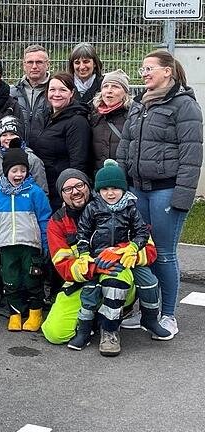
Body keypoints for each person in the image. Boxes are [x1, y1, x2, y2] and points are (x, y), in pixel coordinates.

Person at [116, 50, 203, 337]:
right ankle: (146, 312)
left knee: (164, 254)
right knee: (142, 253)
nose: (144, 73)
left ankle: (168, 315)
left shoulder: (184, 105)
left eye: (149, 68)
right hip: (138, 190)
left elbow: (192, 156)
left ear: (167, 71)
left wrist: (182, 198)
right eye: (142, 69)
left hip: (166, 192)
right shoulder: (141, 104)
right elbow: (126, 146)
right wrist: (121, 183)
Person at [40, 169, 164, 345]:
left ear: (90, 187)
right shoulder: (57, 222)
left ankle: (111, 328)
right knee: (55, 333)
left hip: (118, 273)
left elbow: (150, 249)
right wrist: (94, 267)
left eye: (79, 185)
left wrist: (120, 253)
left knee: (116, 282)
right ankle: (95, 318)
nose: (75, 191)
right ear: (61, 194)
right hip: (84, 281)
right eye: (67, 189)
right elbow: (63, 265)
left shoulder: (121, 207)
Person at [67, 160, 171, 355]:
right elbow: (82, 234)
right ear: (98, 191)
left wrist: (133, 247)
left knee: (150, 282)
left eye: (115, 188)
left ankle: (149, 320)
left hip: (125, 255)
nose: (110, 193)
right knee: (95, 291)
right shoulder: (93, 208)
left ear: (123, 188)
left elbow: (141, 232)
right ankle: (96, 330)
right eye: (105, 189)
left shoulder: (130, 208)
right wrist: (84, 256)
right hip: (100, 258)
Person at [0, 148, 50, 332]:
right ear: (6, 171)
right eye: (14, 170)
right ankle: (15, 314)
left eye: (22, 170)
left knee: (32, 279)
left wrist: (46, 243)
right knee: (10, 281)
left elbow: (45, 219)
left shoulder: (35, 192)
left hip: (30, 245)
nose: (19, 174)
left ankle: (36, 313)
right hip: (6, 245)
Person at [27, 72, 91, 210]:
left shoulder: (77, 121)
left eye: (63, 90)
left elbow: (78, 163)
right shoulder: (43, 116)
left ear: (72, 93)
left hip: (60, 192)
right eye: (52, 89)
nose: (57, 94)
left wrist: (69, 195)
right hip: (41, 187)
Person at [0, 116, 48, 194]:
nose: (8, 138)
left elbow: (42, 192)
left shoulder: (32, 160)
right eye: (4, 135)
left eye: (12, 134)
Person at [90, 70, 131, 174]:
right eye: (105, 86)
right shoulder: (93, 117)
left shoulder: (132, 117)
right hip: (98, 180)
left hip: (124, 178)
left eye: (115, 86)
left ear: (125, 92)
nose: (109, 90)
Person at [10, 45, 51, 131]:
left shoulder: (57, 93)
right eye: (30, 62)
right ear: (24, 65)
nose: (34, 66)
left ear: (47, 64)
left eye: (39, 62)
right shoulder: (12, 93)